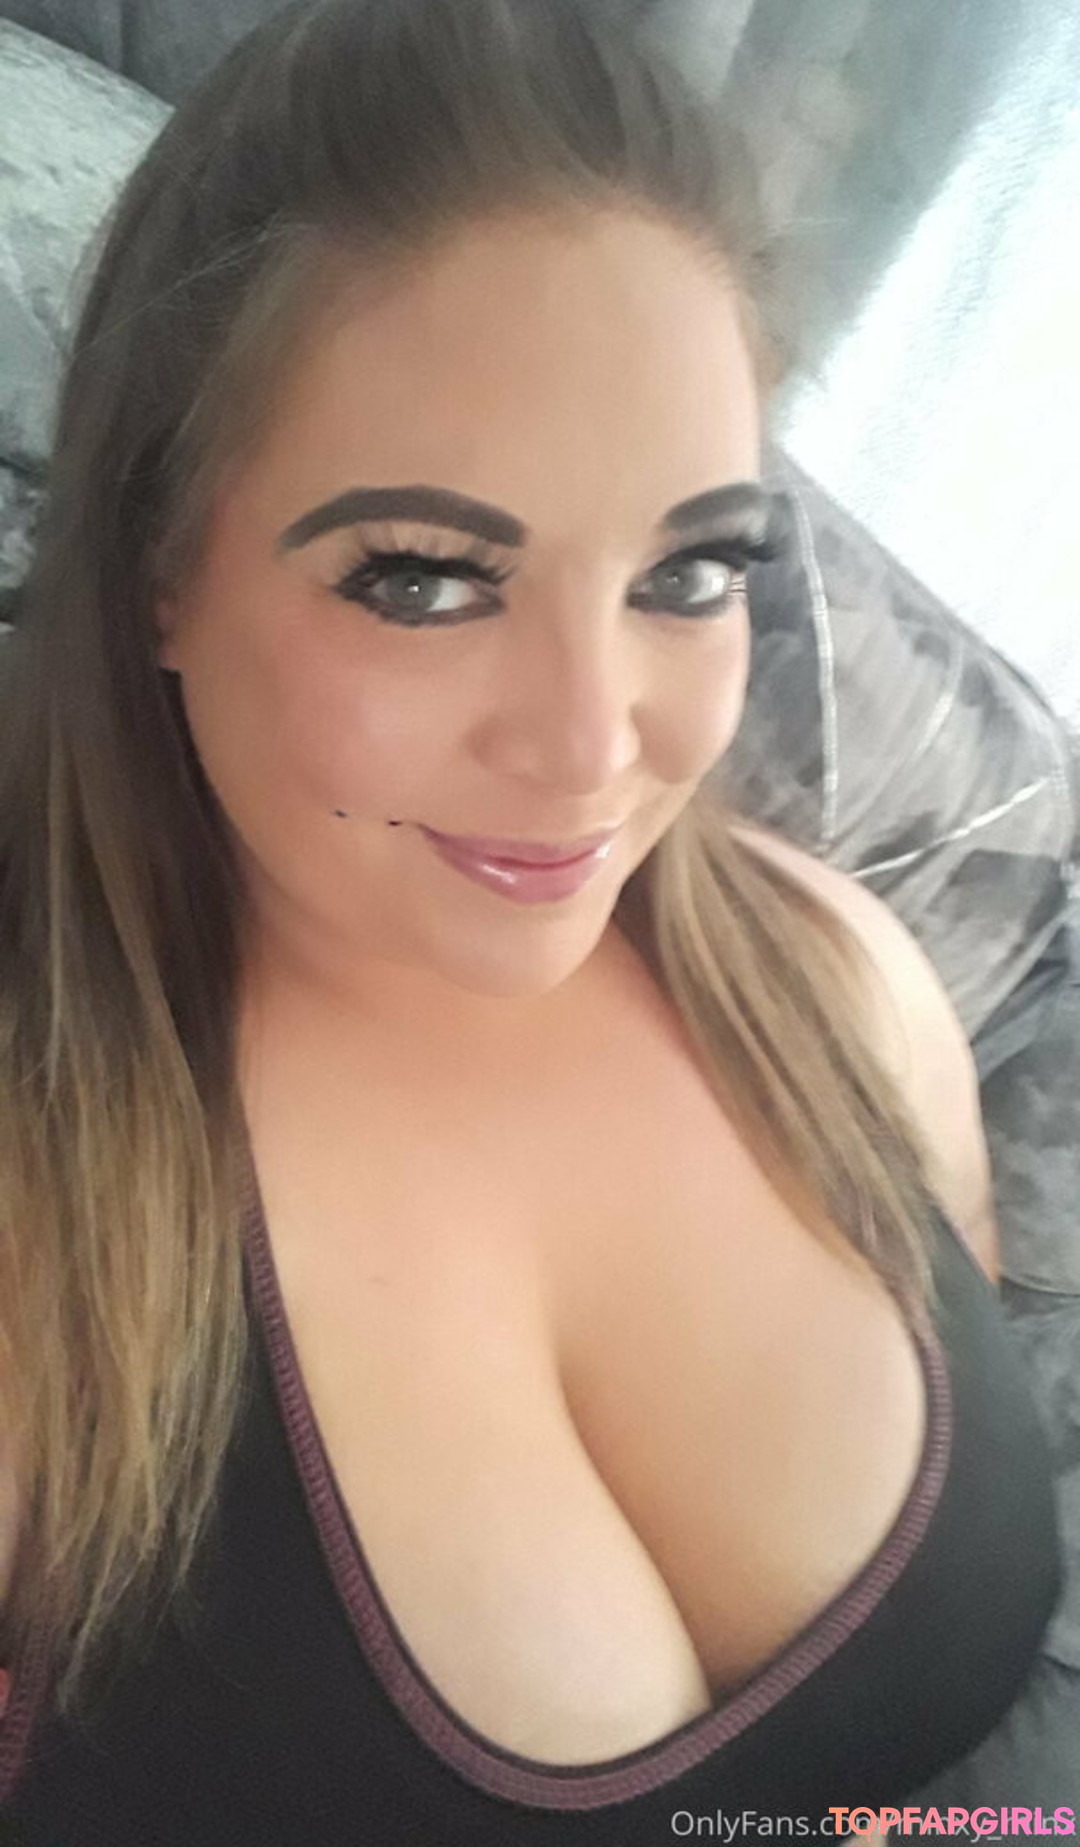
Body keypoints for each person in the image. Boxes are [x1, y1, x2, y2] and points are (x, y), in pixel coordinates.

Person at [0, 0, 1063, 1838]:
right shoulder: (46, 1229)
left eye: (689, 571)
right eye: (424, 581)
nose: (592, 745)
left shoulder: (846, 987)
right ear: (162, 564)